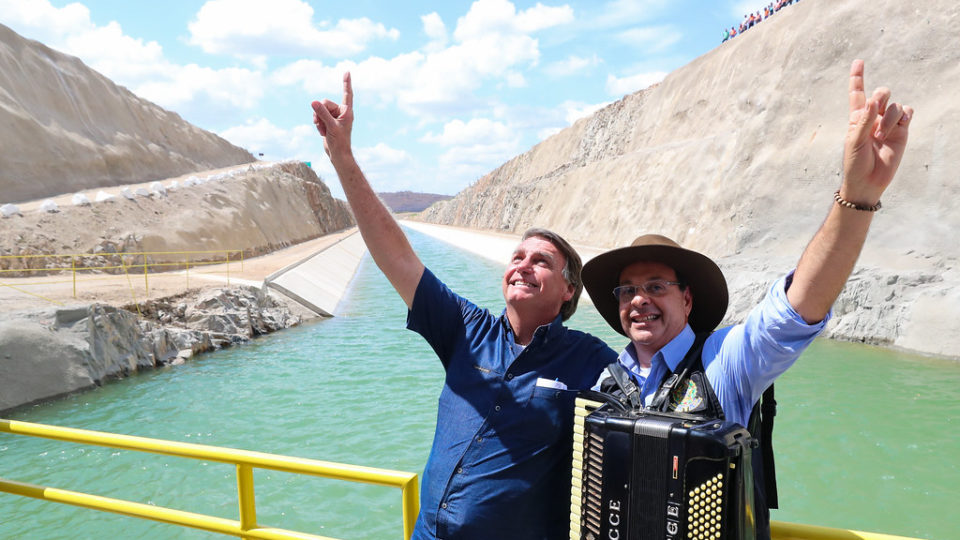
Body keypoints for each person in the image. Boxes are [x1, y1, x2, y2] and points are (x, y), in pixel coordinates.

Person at [581, 59, 912, 539]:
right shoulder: (606, 382)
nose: (639, 300)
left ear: (688, 300)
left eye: (656, 286)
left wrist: (856, 197)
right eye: (628, 290)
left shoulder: (726, 360)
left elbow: (796, 311)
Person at [311, 73, 617, 540]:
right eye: (517, 257)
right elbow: (397, 256)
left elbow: (649, 401)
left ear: (568, 289)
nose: (523, 266)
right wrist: (343, 158)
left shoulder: (591, 360)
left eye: (541, 262)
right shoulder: (465, 330)